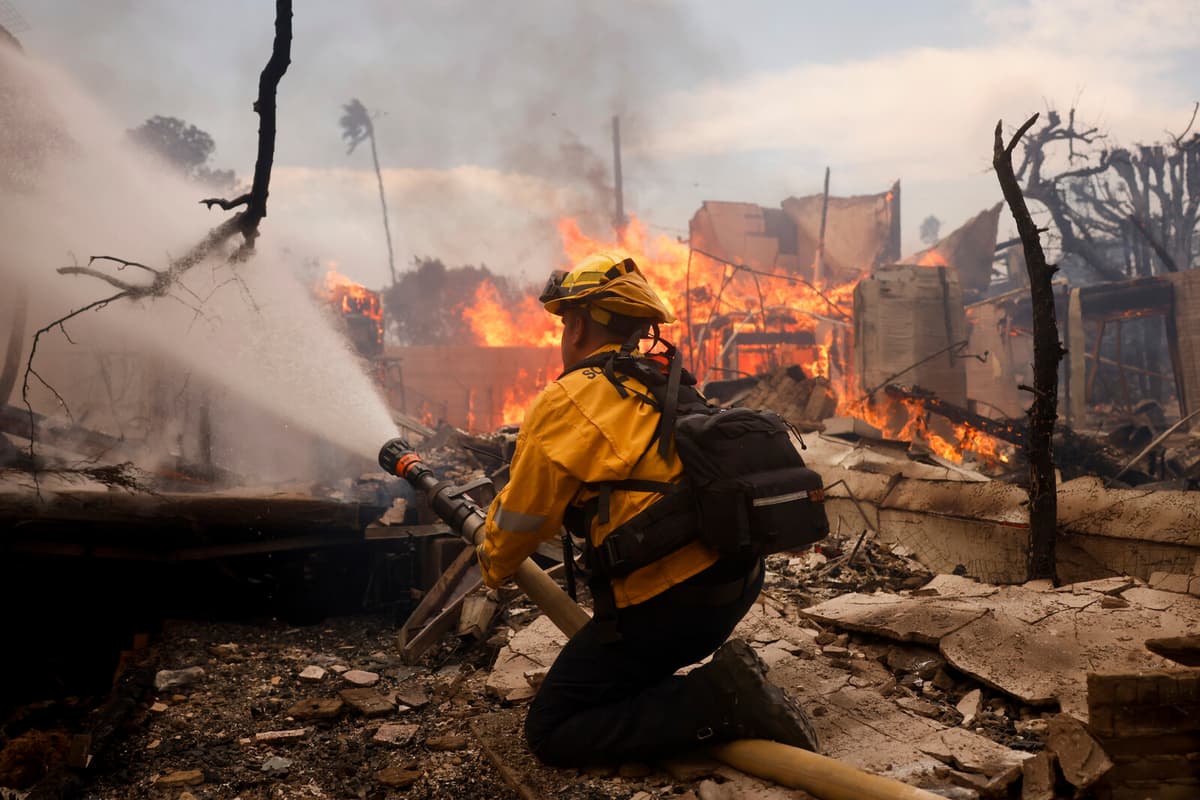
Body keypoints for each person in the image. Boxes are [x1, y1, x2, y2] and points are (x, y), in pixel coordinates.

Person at [476, 252, 819, 767]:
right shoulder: (664, 381)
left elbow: (520, 526)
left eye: (565, 323)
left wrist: (490, 562)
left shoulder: (569, 400)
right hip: (736, 586)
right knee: (626, 670)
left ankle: (724, 699)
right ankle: (703, 682)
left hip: (671, 609)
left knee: (552, 730)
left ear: (575, 326)